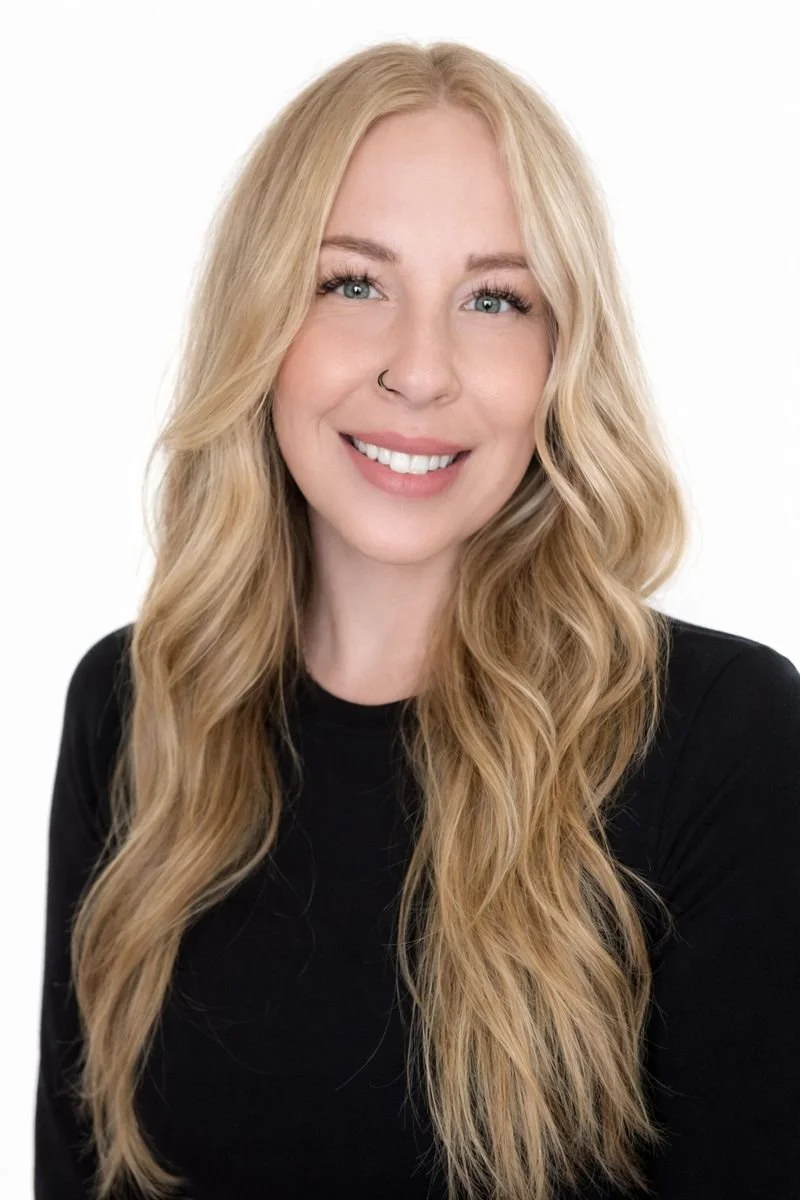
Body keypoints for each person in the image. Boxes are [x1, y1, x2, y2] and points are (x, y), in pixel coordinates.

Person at [34, 39, 800, 1200]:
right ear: (259, 320)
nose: (420, 369)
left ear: (559, 357)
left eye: (494, 300)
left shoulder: (722, 740)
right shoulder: (137, 705)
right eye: (353, 283)